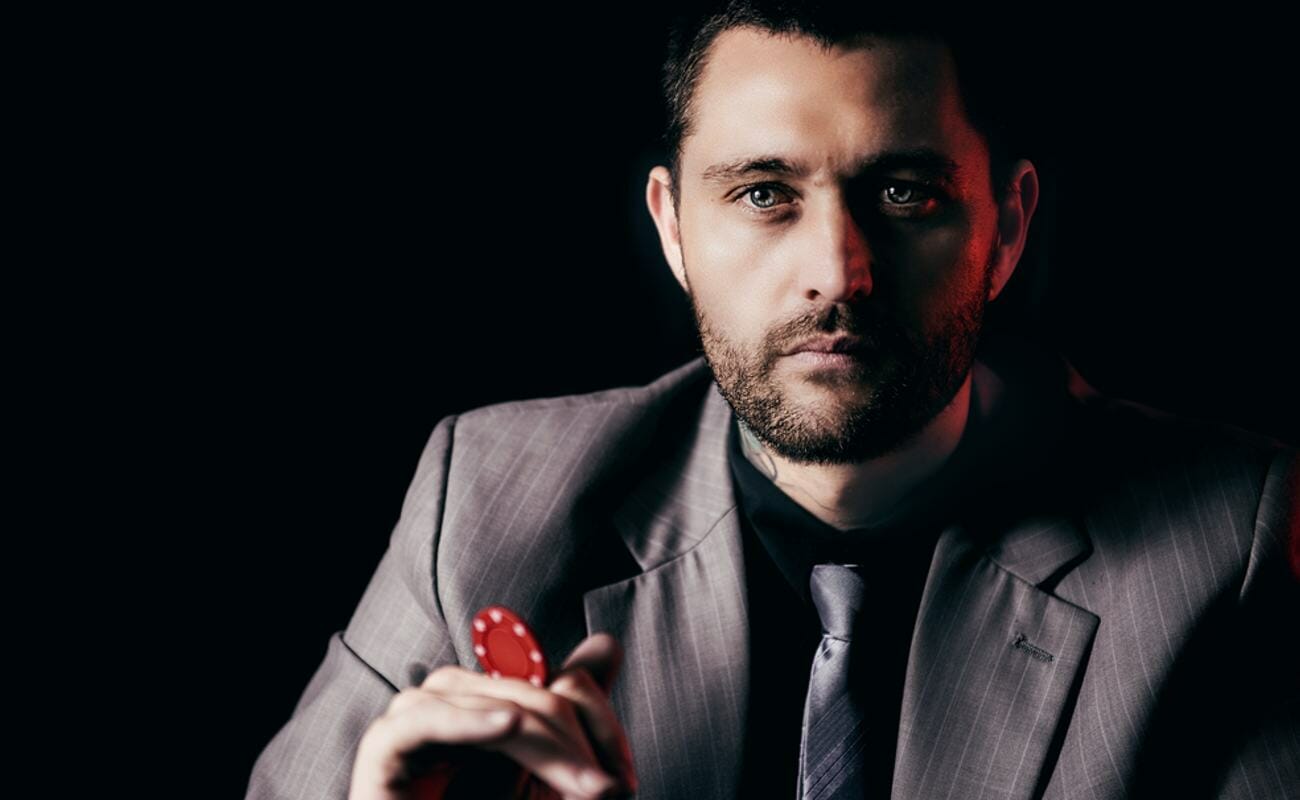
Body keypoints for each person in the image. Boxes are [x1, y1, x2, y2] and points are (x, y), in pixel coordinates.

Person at [245, 5, 1299, 799]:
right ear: (672, 230)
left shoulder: (1227, 540)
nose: (837, 272)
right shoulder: (483, 495)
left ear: (1008, 226)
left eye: (903, 193)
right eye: (763, 194)